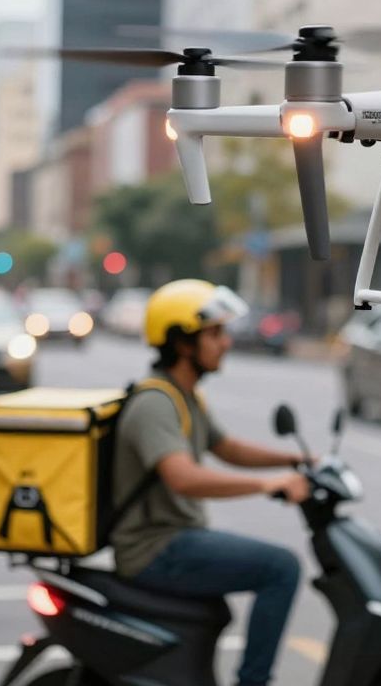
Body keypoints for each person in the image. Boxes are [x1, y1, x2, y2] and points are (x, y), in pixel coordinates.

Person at [110, 279, 310, 686]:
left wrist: (297, 459)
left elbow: (227, 447)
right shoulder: (155, 403)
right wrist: (268, 485)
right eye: (215, 334)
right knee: (281, 568)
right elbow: (182, 478)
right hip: (154, 548)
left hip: (175, 539)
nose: (225, 343)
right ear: (183, 343)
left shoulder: (184, 395)